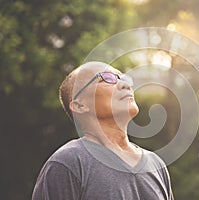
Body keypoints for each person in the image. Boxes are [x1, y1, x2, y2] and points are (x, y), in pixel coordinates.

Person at [32, 61, 174, 200]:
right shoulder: (68, 163)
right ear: (80, 105)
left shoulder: (156, 165)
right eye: (108, 78)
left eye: (123, 78)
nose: (125, 85)